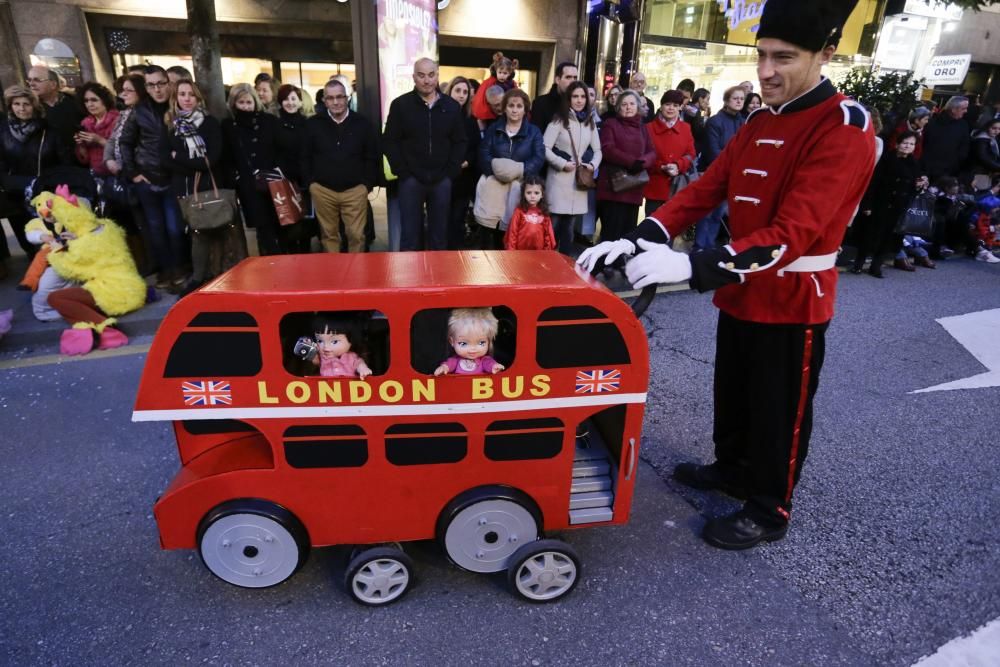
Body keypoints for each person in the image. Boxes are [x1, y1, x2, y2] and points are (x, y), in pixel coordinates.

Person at [579, 0, 876, 550]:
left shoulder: (843, 125)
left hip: (792, 296)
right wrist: (643, 235)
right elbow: (706, 189)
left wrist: (690, 266)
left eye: (783, 57)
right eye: (761, 55)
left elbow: (793, 234)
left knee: (779, 407)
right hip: (741, 290)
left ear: (825, 55)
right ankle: (734, 468)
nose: (766, 71)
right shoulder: (761, 119)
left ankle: (769, 505)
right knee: (734, 391)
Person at [382, 58, 467, 251]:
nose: (426, 80)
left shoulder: (452, 106)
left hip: (442, 180)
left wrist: (451, 171)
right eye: (421, 75)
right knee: (410, 237)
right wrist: (402, 171)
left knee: (439, 237)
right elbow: (389, 141)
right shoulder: (400, 105)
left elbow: (460, 141)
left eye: (431, 75)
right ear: (414, 77)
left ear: (437, 76)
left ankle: (436, 279)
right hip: (410, 179)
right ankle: (411, 280)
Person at [120, 65, 187, 289]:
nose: (157, 89)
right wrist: (134, 173)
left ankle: (180, 268)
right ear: (146, 87)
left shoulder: (177, 106)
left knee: (175, 227)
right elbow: (125, 142)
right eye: (151, 85)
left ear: (168, 83)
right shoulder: (139, 111)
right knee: (155, 228)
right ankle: (166, 270)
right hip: (147, 179)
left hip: (173, 177)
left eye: (161, 83)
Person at [301, 79, 379, 254]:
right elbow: (305, 156)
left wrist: (366, 185)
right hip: (323, 190)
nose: (335, 102)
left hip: (355, 190)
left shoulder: (362, 124)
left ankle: (356, 277)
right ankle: (333, 276)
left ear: (347, 98)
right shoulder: (313, 124)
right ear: (324, 100)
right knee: (329, 236)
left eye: (339, 97)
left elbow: (371, 156)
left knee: (356, 235)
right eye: (330, 98)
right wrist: (311, 184)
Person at [163, 79, 224, 293]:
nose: (187, 99)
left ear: (198, 98)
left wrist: (178, 157)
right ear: (175, 98)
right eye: (182, 94)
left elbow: (211, 159)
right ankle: (202, 276)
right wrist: (191, 164)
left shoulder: (209, 124)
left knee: (207, 232)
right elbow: (164, 158)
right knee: (194, 232)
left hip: (206, 187)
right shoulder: (172, 126)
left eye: (191, 94)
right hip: (182, 189)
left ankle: (203, 278)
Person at [0, 85, 68, 260]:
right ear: (10, 106)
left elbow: (64, 161)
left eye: (26, 104)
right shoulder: (3, 131)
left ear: (35, 106)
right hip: (15, 191)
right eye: (16, 104)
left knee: (51, 236)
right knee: (26, 237)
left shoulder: (49, 131)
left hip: (45, 190)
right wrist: (7, 182)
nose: (21, 108)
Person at [477, 89, 545, 248]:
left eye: (519, 106)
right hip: (494, 186)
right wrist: (498, 168)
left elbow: (538, 157)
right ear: (505, 108)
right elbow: (483, 153)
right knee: (489, 234)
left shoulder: (533, 132)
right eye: (511, 105)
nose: (515, 110)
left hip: (519, 187)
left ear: (525, 109)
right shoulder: (493, 129)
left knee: (512, 234)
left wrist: (519, 169)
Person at [852, 131, 927, 276]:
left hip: (898, 206)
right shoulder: (885, 159)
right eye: (905, 143)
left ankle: (876, 266)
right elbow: (872, 183)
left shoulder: (914, 164)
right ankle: (859, 264)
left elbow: (913, 188)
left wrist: (919, 185)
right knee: (869, 235)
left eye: (911, 144)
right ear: (897, 144)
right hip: (880, 202)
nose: (908, 146)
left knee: (887, 238)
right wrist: (867, 205)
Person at [595, 89, 656, 261]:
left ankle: (619, 262)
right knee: (611, 232)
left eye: (631, 103)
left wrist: (643, 162)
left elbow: (652, 151)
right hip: (614, 187)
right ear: (618, 107)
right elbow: (608, 149)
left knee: (627, 232)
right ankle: (603, 263)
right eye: (624, 104)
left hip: (634, 188)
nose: (628, 107)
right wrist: (632, 162)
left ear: (638, 106)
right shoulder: (611, 124)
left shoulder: (642, 128)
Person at [223, 83, 283, 255]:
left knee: (280, 225)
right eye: (241, 103)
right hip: (249, 185)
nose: (246, 107)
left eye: (249, 102)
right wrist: (236, 180)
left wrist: (279, 172)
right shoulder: (229, 126)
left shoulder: (269, 121)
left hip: (273, 182)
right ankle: (269, 263)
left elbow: (281, 148)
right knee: (262, 228)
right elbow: (228, 157)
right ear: (234, 104)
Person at [543, 81, 601, 254]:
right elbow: (544, 147)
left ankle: (565, 267)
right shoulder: (559, 120)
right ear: (568, 98)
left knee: (569, 230)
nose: (579, 100)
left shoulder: (589, 122)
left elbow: (598, 150)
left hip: (578, 183)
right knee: (553, 226)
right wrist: (562, 163)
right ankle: (546, 264)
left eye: (583, 96)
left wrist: (592, 165)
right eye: (575, 96)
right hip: (559, 180)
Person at [694, 85, 746, 251]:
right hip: (713, 173)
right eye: (735, 98)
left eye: (741, 99)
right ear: (726, 101)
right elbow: (712, 150)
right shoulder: (715, 121)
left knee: (718, 215)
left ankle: (709, 249)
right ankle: (700, 248)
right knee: (706, 213)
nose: (739, 101)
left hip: (731, 175)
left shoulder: (742, 122)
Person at [275, 83, 314, 253]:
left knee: (305, 222)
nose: (290, 103)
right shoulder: (275, 125)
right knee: (287, 221)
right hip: (283, 181)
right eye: (286, 99)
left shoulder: (308, 124)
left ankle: (306, 256)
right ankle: (290, 256)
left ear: (300, 102)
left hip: (304, 180)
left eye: (293, 99)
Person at [643, 90, 696, 217]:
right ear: (661, 106)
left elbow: (691, 153)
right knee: (651, 228)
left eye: (676, 105)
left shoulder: (686, 128)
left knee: (671, 230)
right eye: (667, 104)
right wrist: (661, 166)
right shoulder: (648, 128)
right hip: (654, 186)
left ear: (680, 108)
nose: (671, 108)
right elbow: (643, 155)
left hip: (677, 186)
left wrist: (679, 165)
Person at [445, 76, 481, 249]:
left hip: (463, 179)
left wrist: (466, 162)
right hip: (442, 178)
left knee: (457, 221)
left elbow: (476, 148)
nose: (461, 95)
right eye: (457, 90)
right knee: (440, 222)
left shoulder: (471, 120)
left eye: (465, 92)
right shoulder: (439, 116)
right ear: (449, 91)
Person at [434, 308, 505, 376]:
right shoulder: (455, 360)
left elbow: (489, 364)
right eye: (464, 343)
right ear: (451, 341)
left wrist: (494, 366)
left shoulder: (484, 360)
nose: (473, 349)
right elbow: (449, 365)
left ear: (489, 341)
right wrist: (443, 368)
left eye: (481, 343)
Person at [27, 65, 83, 152]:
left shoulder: (74, 102)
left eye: (37, 80)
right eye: (29, 80)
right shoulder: (29, 108)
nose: (31, 84)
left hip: (78, 157)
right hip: (49, 161)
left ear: (53, 84)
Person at [299, 316, 373, 378]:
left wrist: (363, 369)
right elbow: (315, 360)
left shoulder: (352, 357)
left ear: (351, 341)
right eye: (320, 341)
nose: (325, 347)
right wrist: (307, 346)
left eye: (334, 342)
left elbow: (359, 364)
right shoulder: (322, 356)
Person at [73, 82, 119, 176]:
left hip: (117, 172)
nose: (89, 104)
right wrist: (81, 144)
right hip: (96, 173)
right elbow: (85, 158)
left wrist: (99, 140)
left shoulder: (118, 120)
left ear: (105, 100)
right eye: (86, 101)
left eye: (94, 100)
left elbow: (122, 150)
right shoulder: (85, 123)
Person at [922, 96, 970, 182]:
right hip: (926, 169)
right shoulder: (931, 123)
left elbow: (964, 147)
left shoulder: (963, 125)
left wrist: (955, 164)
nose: (966, 111)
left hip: (948, 172)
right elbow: (923, 144)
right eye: (963, 108)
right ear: (953, 109)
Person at [504, 175, 556, 251]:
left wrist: (546, 253)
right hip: (520, 252)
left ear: (542, 195)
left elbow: (548, 235)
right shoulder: (519, 211)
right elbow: (512, 233)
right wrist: (512, 252)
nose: (532, 196)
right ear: (524, 194)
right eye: (529, 193)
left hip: (539, 253)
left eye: (536, 193)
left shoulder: (544, 212)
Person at [471, 52, 519, 123]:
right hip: (491, 117)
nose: (502, 75)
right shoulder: (489, 83)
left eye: (505, 73)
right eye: (500, 72)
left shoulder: (512, 84)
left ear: (510, 73)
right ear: (496, 70)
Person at [530, 61, 578, 131]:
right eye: (568, 77)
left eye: (575, 78)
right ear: (558, 80)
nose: (572, 81)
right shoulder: (541, 103)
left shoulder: (579, 103)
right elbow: (536, 134)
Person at [683, 88, 711, 159]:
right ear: (701, 99)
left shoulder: (694, 109)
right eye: (707, 99)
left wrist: (705, 112)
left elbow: (701, 117)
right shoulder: (693, 111)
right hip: (691, 148)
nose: (708, 103)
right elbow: (700, 129)